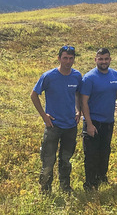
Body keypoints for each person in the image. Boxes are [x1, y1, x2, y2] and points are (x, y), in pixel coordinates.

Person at [31, 45, 82, 194]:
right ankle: (45, 189)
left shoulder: (77, 76)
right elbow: (34, 95)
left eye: (71, 58)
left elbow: (78, 94)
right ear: (59, 58)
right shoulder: (48, 76)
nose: (68, 61)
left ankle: (65, 187)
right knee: (48, 160)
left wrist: (78, 110)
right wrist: (44, 116)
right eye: (65, 58)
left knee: (66, 159)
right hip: (53, 125)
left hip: (71, 125)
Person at [81, 48, 117, 190]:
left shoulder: (115, 75)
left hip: (108, 121)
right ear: (96, 59)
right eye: (101, 59)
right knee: (91, 153)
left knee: (105, 151)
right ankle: (90, 182)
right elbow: (84, 102)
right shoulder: (89, 77)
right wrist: (89, 124)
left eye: (106, 59)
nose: (103, 61)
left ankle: (102, 177)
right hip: (93, 121)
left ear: (110, 60)